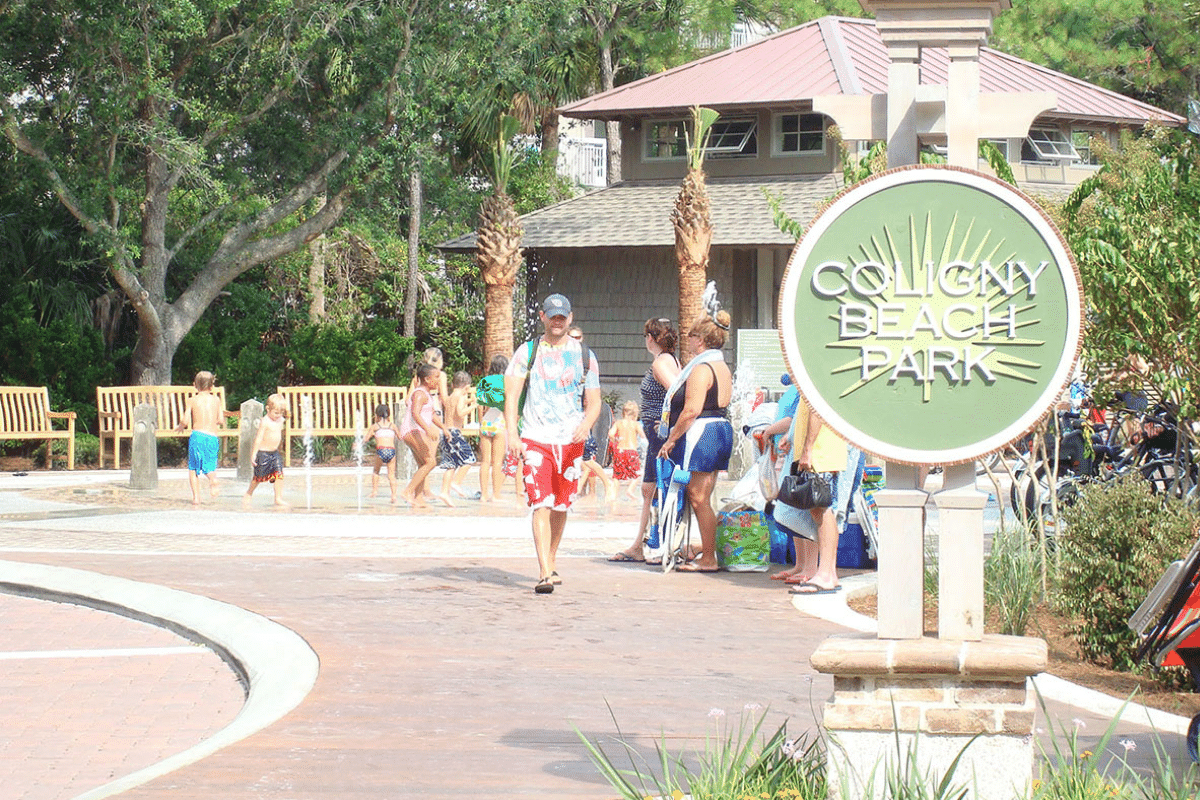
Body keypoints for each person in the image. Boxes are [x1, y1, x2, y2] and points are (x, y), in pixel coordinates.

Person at [505, 293, 601, 594]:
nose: (557, 322)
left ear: (569, 318)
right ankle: (544, 572)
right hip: (536, 437)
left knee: (561, 505)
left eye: (563, 317)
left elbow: (594, 402)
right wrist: (512, 433)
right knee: (541, 503)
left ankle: (551, 559)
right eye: (552, 316)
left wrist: (586, 424)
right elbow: (511, 396)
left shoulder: (585, 355)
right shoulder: (527, 352)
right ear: (543, 317)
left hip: (570, 440)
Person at [657, 307, 734, 573]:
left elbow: (691, 410)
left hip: (703, 432)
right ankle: (706, 550)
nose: (687, 341)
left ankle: (709, 558)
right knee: (704, 497)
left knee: (698, 497)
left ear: (700, 339)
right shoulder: (721, 365)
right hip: (720, 428)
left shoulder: (702, 368)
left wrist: (671, 439)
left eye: (690, 336)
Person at [610, 317, 680, 563]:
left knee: (656, 487)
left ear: (650, 338)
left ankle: (655, 544)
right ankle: (642, 543)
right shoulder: (671, 360)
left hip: (659, 432)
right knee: (649, 487)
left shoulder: (661, 363)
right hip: (658, 432)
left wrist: (666, 425)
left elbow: (676, 392)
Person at [780, 402, 848, 595]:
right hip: (824, 452)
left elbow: (817, 410)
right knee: (823, 510)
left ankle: (825, 574)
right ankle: (829, 573)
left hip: (820, 453)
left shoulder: (814, 380)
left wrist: (808, 449)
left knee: (821, 510)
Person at [568, 325, 615, 506]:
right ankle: (584, 491)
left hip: (583, 415)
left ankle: (603, 484)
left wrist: (588, 420)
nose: (575, 340)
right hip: (567, 415)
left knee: (586, 456)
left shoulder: (587, 359)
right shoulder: (560, 356)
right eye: (572, 337)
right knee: (581, 457)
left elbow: (593, 397)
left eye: (578, 337)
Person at [400, 362, 449, 508]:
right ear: (427, 379)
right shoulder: (420, 394)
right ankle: (408, 491)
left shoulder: (427, 394)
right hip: (412, 431)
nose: (439, 380)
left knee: (423, 464)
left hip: (415, 431)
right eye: (436, 377)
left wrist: (443, 428)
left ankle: (419, 498)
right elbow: (415, 413)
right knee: (431, 462)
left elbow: (432, 414)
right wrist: (427, 430)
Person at [174, 370, 223, 505]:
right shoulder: (216, 400)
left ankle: (196, 498)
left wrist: (181, 426)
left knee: (193, 468)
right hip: (212, 437)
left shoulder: (192, 400)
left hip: (198, 436)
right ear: (212, 386)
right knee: (210, 466)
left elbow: (185, 419)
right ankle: (212, 479)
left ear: (195, 385)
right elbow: (221, 420)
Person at [244, 393, 288, 508]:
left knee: (279, 475)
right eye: (276, 413)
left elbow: (288, 415)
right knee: (258, 477)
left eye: (280, 413)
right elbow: (258, 439)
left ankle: (278, 498)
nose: (278, 415)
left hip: (274, 453)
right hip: (263, 453)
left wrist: (285, 409)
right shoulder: (265, 421)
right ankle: (249, 493)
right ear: (268, 409)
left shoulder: (280, 419)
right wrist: (254, 454)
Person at [439, 371, 479, 500]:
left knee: (451, 464)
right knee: (470, 459)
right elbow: (460, 412)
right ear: (466, 387)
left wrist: (470, 400)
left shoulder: (451, 396)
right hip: (455, 434)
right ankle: (456, 483)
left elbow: (457, 405)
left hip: (446, 433)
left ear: (452, 384)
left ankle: (444, 492)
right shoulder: (461, 396)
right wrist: (474, 405)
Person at [477, 354, 511, 504]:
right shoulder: (506, 382)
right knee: (497, 462)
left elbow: (480, 405)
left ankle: (483, 495)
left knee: (485, 462)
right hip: (499, 422)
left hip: (486, 422)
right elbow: (508, 404)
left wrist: (480, 423)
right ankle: (495, 494)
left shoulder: (484, 381)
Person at [608, 401, 644, 503]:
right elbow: (643, 436)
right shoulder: (635, 424)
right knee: (636, 474)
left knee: (616, 476)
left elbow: (610, 434)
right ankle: (630, 490)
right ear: (635, 414)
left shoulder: (618, 423)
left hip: (620, 451)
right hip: (631, 452)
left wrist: (615, 440)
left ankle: (613, 496)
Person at [367, 403, 400, 504]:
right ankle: (394, 496)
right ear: (388, 415)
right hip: (391, 450)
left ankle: (374, 492)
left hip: (380, 450)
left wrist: (358, 443)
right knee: (391, 475)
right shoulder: (392, 426)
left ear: (376, 416)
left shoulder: (375, 426)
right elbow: (400, 437)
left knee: (376, 471)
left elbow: (366, 439)